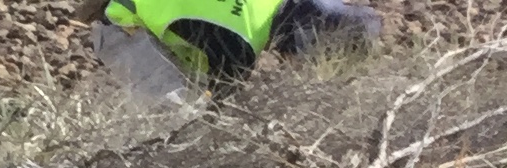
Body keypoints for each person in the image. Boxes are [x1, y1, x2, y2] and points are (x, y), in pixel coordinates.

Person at [80, 0, 382, 101]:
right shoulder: (239, 43)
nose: (295, 64)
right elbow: (221, 115)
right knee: (179, 123)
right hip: (124, 27)